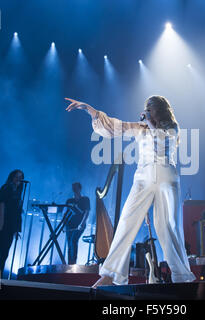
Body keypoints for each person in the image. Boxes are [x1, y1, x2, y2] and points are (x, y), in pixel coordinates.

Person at [65, 96, 196, 287]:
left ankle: (182, 277)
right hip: (143, 177)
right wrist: (88, 109)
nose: (146, 111)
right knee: (126, 221)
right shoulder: (141, 128)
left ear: (159, 110)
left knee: (168, 226)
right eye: (146, 108)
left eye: (150, 108)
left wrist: (150, 123)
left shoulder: (171, 128)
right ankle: (111, 274)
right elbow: (115, 126)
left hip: (166, 176)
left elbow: (162, 142)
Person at [0, 170, 25, 277]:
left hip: (11, 225)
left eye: (21, 177)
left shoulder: (19, 192)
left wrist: (16, 229)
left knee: (5, 253)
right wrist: (1, 221)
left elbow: (17, 212)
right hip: (2, 222)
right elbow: (1, 203)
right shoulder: (6, 188)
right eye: (16, 177)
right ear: (12, 177)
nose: (19, 179)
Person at [64, 182, 90, 265]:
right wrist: (64, 223)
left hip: (79, 224)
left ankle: (73, 263)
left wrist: (82, 223)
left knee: (73, 240)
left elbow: (87, 212)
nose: (73, 189)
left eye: (75, 187)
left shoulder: (85, 199)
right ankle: (69, 264)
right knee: (69, 243)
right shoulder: (69, 200)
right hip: (69, 224)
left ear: (79, 188)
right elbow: (65, 212)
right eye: (73, 187)